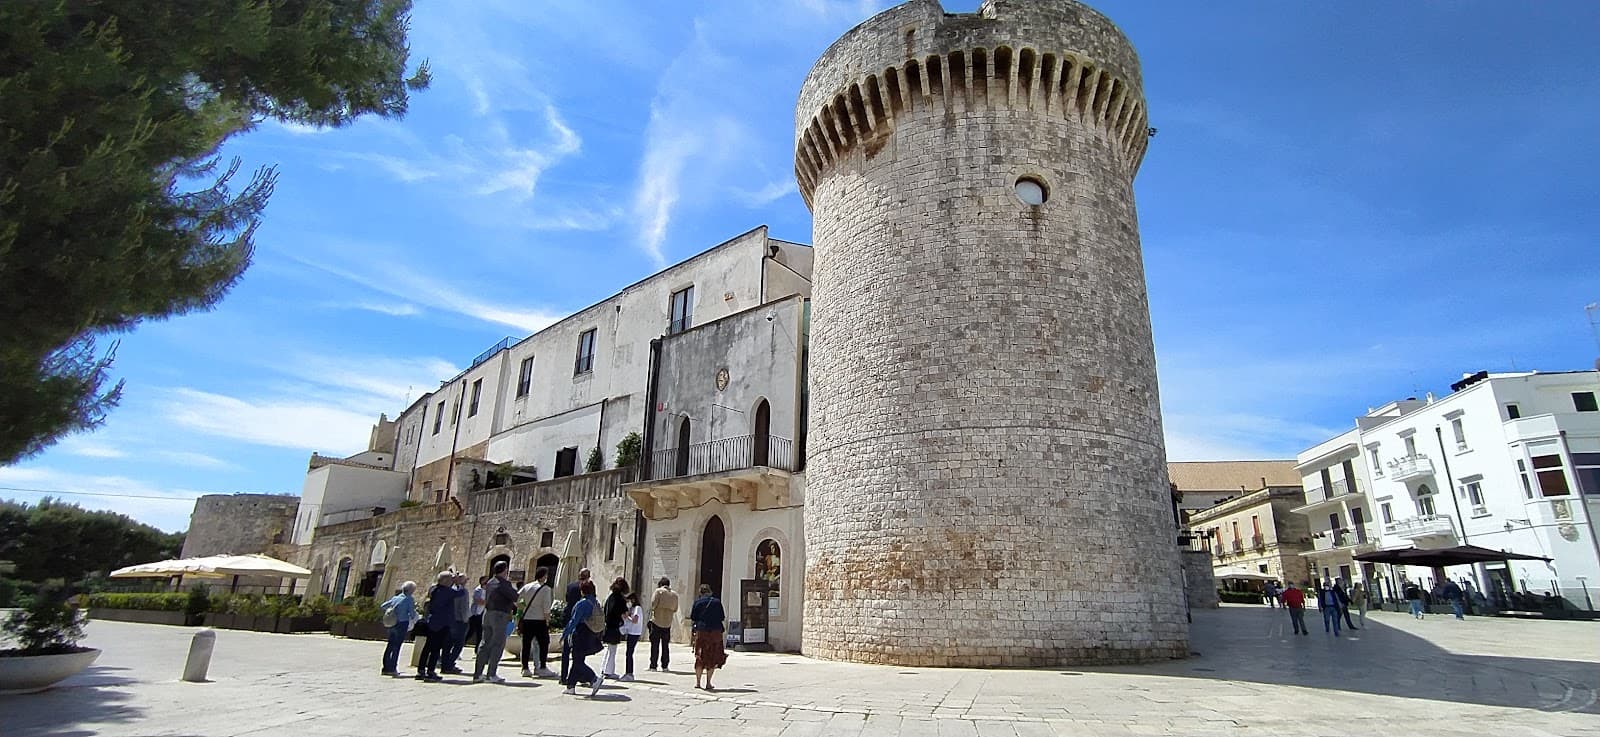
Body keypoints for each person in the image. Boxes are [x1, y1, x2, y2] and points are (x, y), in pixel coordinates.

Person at [474, 561, 519, 683]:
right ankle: (491, 674)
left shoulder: (490, 582)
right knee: (498, 644)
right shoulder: (503, 583)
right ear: (505, 570)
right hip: (499, 614)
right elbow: (515, 596)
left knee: (485, 643)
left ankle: (478, 673)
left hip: (488, 613)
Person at [561, 579, 606, 697]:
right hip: (590, 634)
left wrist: (565, 634)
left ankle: (594, 679)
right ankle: (570, 686)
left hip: (580, 634)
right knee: (578, 660)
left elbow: (574, 620)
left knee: (577, 661)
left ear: (582, 591)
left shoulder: (582, 603)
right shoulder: (595, 602)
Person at [417, 571, 463, 682]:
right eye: (450, 579)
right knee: (436, 649)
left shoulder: (434, 589)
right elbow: (460, 593)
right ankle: (430, 672)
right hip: (442, 623)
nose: (452, 581)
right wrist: (458, 583)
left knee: (427, 647)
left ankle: (421, 670)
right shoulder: (447, 591)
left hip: (432, 621)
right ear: (446, 581)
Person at [518, 566, 557, 678]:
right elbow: (546, 608)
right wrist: (547, 620)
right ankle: (542, 667)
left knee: (526, 644)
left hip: (527, 619)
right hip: (540, 620)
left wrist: (524, 608)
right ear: (544, 576)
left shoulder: (527, 586)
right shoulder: (546, 589)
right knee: (543, 644)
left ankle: (525, 668)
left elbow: (518, 600)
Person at [689, 583, 726, 690]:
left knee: (700, 656)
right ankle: (708, 683)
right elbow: (722, 617)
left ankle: (698, 682)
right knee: (712, 657)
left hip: (702, 631)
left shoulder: (697, 602)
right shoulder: (717, 602)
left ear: (700, 592)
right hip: (715, 632)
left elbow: (693, 617)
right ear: (710, 591)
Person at [561, 567, 592, 684]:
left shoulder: (571, 586)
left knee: (566, 651)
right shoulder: (588, 588)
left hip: (568, 618)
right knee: (579, 652)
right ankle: (579, 676)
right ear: (588, 576)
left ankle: (563, 677)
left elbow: (567, 599)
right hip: (581, 623)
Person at [379, 581, 417, 676]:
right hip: (402, 624)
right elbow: (412, 614)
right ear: (411, 590)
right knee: (397, 646)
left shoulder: (395, 598)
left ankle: (385, 668)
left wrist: (392, 611)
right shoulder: (409, 599)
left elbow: (383, 606)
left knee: (390, 645)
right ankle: (392, 668)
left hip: (392, 623)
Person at [440, 572, 471, 674]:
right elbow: (464, 607)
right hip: (460, 620)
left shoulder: (449, 590)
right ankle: (449, 664)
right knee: (459, 644)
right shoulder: (463, 591)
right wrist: (466, 619)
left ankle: (445, 664)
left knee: (448, 644)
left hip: (449, 620)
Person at [601, 577, 629, 679]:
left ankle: (604, 669)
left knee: (608, 649)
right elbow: (624, 614)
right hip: (615, 627)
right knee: (612, 650)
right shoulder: (620, 599)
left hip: (607, 626)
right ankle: (609, 671)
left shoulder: (610, 597)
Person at [649, 577, 679, 672]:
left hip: (657, 621)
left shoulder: (658, 592)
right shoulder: (674, 595)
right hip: (668, 622)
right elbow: (675, 609)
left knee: (655, 645)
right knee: (665, 646)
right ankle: (665, 665)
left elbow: (653, 604)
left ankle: (653, 665)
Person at [621, 591, 643, 680]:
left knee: (629, 653)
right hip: (631, 632)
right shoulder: (632, 609)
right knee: (628, 653)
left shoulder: (637, 608)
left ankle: (629, 673)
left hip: (634, 633)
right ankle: (628, 672)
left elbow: (635, 620)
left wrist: (628, 617)